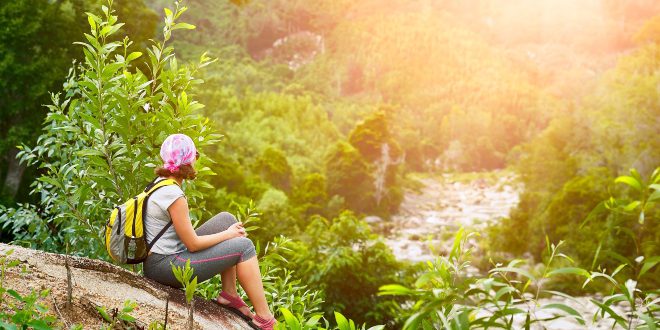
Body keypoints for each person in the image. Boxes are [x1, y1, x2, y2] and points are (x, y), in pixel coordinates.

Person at [143, 133, 276, 329]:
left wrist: (227, 231)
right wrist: (228, 235)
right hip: (164, 267)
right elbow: (193, 245)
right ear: (189, 161)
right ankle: (265, 318)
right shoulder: (174, 195)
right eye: (194, 156)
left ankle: (229, 295)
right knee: (244, 247)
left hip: (163, 258)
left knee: (226, 219)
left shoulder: (160, 184)